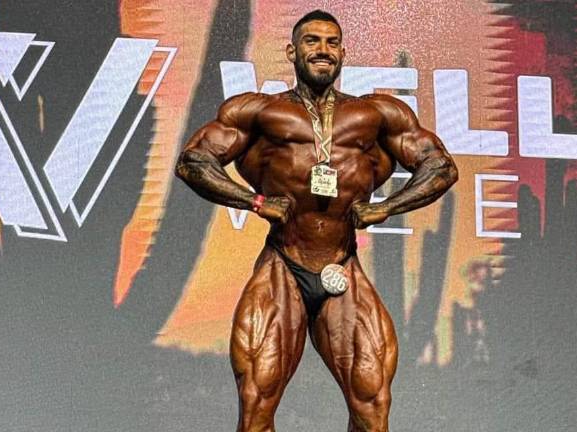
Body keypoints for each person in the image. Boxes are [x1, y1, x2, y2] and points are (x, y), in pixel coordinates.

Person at [175, 9, 458, 432]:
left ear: (342, 53)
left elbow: (440, 166)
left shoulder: (376, 114)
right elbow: (194, 162)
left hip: (342, 264)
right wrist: (254, 201)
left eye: (331, 43)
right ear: (292, 51)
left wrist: (388, 207)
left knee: (373, 403)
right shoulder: (260, 111)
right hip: (283, 264)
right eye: (312, 41)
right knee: (256, 402)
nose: (323, 50)